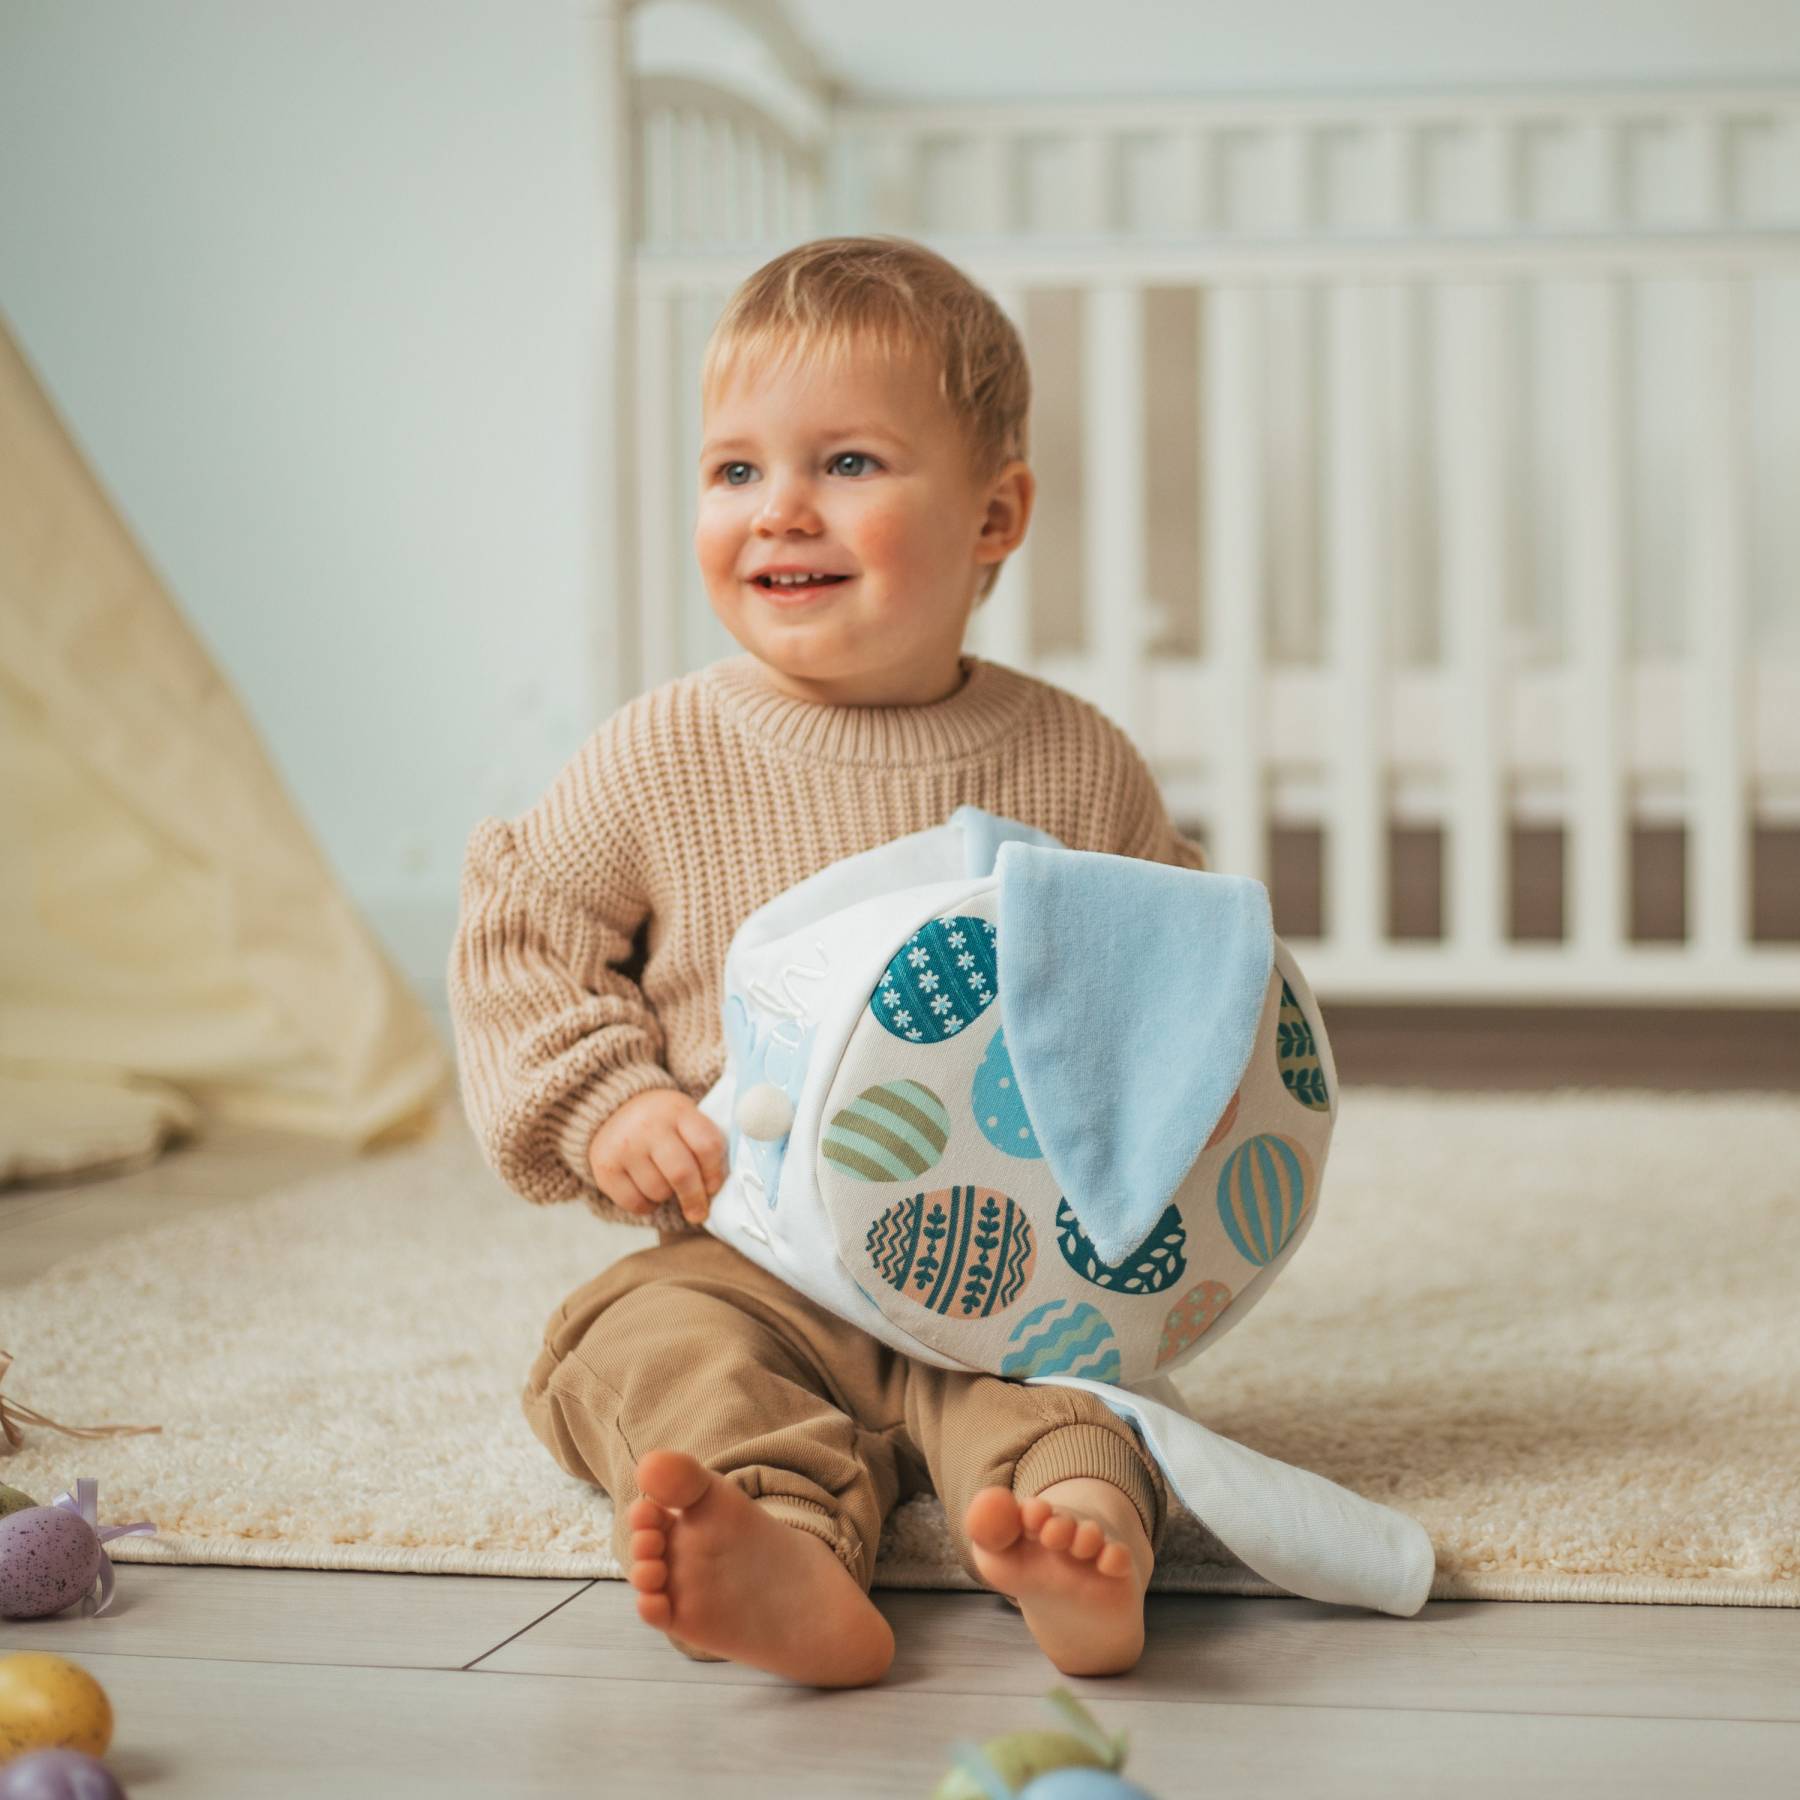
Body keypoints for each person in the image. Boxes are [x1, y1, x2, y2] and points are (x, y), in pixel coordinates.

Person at [449, 235, 1210, 1688]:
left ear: (997, 515)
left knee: (1085, 1399)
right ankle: (784, 1556)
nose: (779, 508)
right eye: (734, 471)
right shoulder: (666, 750)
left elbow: (1170, 988)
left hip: (1001, 1275)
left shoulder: (1074, 760)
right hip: (746, 1256)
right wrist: (604, 1102)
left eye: (847, 462)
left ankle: (1075, 1544)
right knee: (642, 1352)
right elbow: (524, 929)